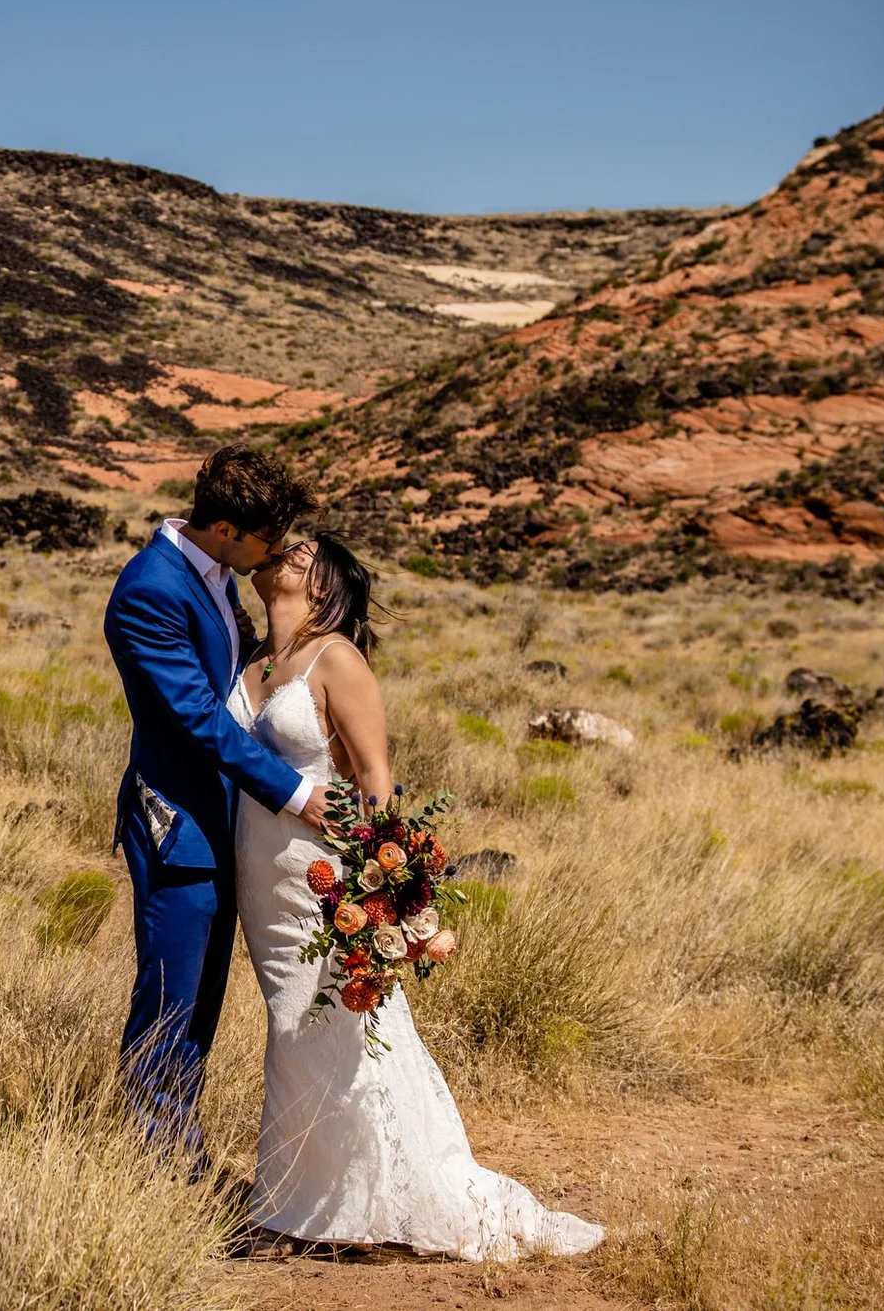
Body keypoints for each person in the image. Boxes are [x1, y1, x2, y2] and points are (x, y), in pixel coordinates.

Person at [228, 531, 604, 1259]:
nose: (284, 552)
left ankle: (322, 1208)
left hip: (324, 876)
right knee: (289, 1023)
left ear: (325, 584)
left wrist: (378, 895)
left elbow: (375, 784)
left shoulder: (338, 657)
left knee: (330, 1024)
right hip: (260, 879)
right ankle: (309, 1198)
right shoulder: (252, 662)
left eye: (304, 552)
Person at [102, 444, 332, 1171]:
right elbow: (199, 717)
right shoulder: (150, 589)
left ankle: (179, 1148)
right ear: (228, 528)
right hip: (178, 822)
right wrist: (299, 794)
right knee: (171, 994)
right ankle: (155, 1164)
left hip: (223, 823)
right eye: (269, 539)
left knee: (202, 1000)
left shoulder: (211, 574)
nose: (278, 552)